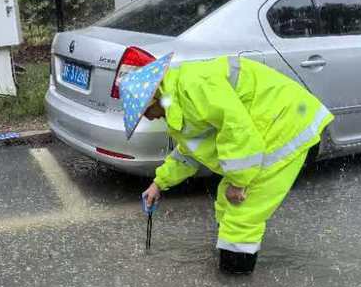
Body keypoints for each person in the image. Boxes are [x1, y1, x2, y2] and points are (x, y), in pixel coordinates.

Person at [120, 53, 334, 274]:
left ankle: (236, 280)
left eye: (145, 111)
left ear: (154, 97)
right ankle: (230, 260)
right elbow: (191, 151)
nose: (148, 118)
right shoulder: (178, 99)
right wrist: (158, 184)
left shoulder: (194, 86)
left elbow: (237, 129)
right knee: (227, 200)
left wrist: (239, 181)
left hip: (283, 125)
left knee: (242, 210)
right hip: (266, 128)